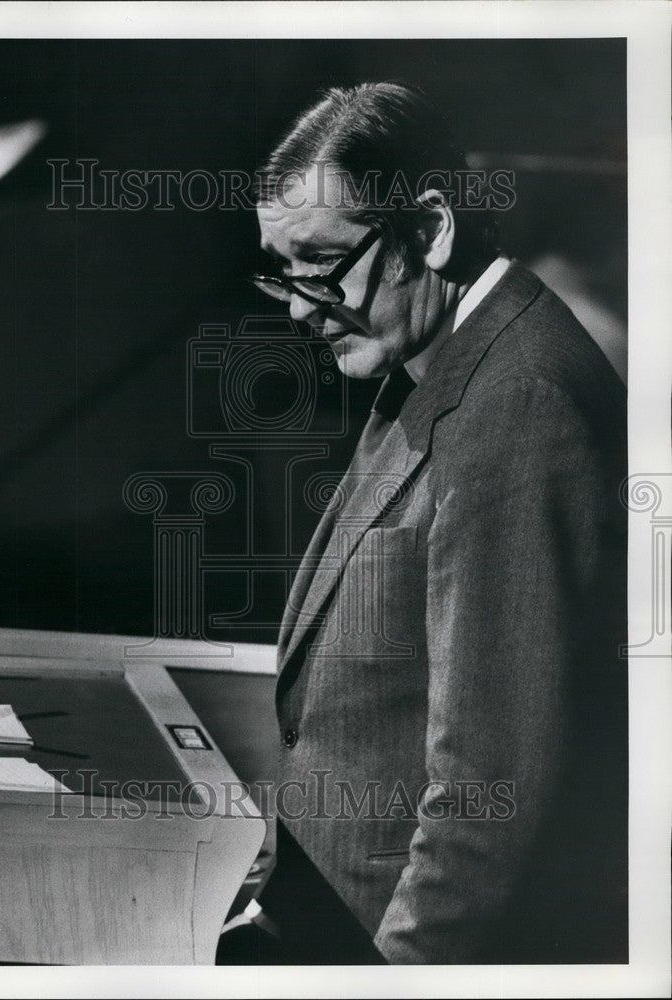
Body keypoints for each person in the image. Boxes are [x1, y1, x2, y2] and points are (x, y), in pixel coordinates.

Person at [217, 82, 627, 965]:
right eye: (278, 269)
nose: (296, 305)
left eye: (320, 263)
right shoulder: (438, 361)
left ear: (431, 227)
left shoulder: (519, 402)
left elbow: (489, 798)